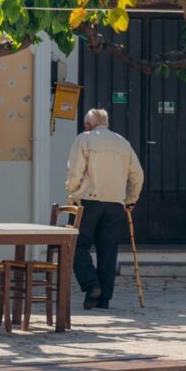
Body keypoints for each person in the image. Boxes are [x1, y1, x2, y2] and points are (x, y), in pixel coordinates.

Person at [65, 108, 144, 310]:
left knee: (74, 245)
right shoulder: (123, 143)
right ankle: (104, 298)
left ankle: (92, 285)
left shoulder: (84, 139)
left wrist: (72, 194)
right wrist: (130, 199)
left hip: (88, 201)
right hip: (116, 203)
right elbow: (137, 175)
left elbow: (75, 171)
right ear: (107, 123)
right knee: (108, 251)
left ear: (88, 125)